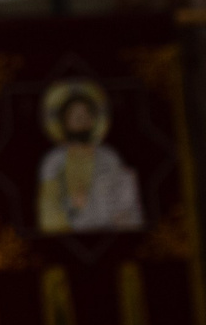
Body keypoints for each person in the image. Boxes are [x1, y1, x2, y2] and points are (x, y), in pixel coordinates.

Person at [35, 83, 143, 233]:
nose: (82, 120)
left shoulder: (108, 156)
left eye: (86, 115)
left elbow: (124, 200)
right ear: (64, 121)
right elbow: (49, 208)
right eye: (76, 116)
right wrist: (74, 209)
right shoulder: (54, 161)